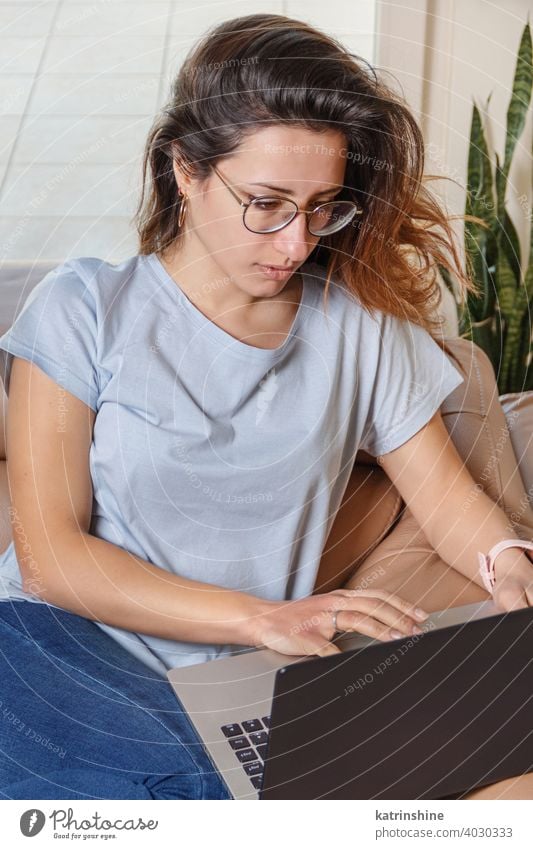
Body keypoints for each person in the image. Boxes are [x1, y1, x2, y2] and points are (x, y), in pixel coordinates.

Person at [0, 12, 531, 801]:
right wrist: (258, 617)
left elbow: (452, 505)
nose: (294, 241)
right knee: (190, 799)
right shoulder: (83, 309)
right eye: (266, 202)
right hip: (62, 646)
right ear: (186, 170)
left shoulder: (358, 329)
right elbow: (50, 556)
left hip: (250, 685)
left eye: (322, 207)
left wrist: (508, 565)